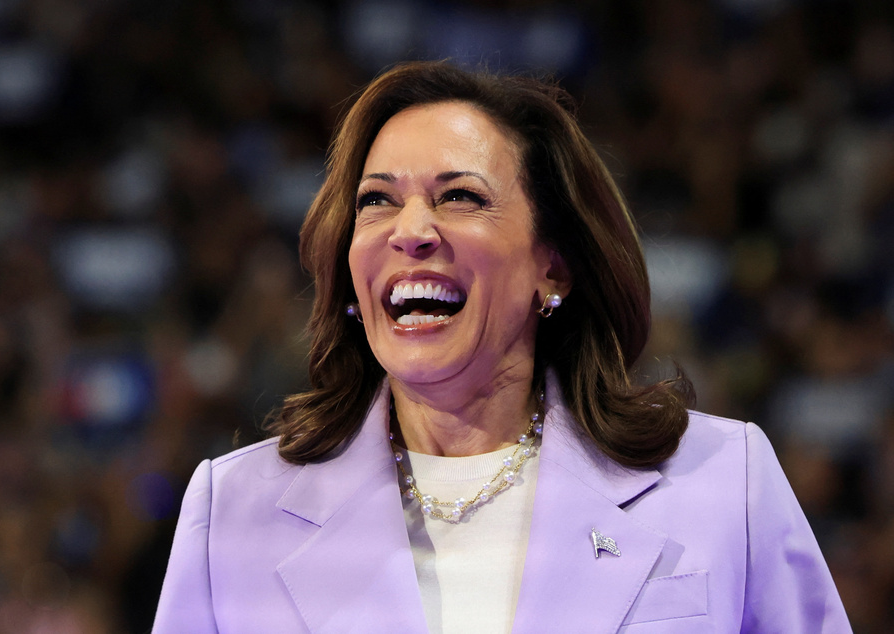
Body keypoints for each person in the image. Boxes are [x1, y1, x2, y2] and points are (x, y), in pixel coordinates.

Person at [152, 61, 851, 633]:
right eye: (376, 201)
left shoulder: (725, 483)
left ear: (553, 265)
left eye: (459, 196)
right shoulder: (233, 512)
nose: (410, 231)